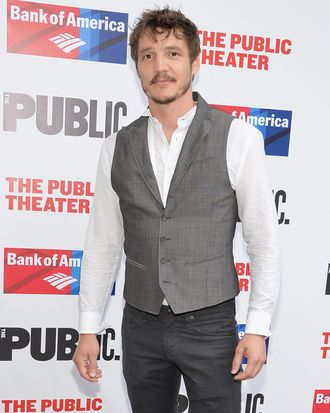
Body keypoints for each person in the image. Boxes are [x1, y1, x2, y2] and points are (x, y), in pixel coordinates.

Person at [73, 7, 280, 413]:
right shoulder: (116, 147)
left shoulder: (238, 138)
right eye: (148, 55)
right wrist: (88, 328)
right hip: (140, 325)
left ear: (195, 63)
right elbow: (102, 244)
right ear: (136, 68)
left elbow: (263, 242)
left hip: (210, 326)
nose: (160, 65)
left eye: (172, 53)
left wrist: (257, 329)